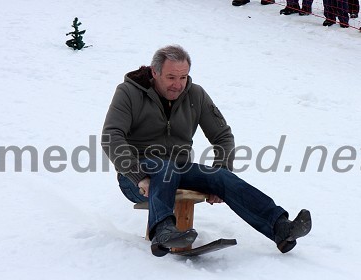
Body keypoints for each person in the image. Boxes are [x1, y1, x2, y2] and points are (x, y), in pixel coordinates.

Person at [102, 45, 312, 257]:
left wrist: (221, 169)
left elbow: (222, 137)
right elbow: (111, 136)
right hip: (136, 175)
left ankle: (280, 227)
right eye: (171, 77)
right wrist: (138, 176)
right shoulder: (129, 92)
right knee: (165, 168)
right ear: (154, 72)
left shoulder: (196, 95)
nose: (178, 85)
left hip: (179, 168)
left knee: (219, 176)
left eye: (183, 77)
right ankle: (163, 232)